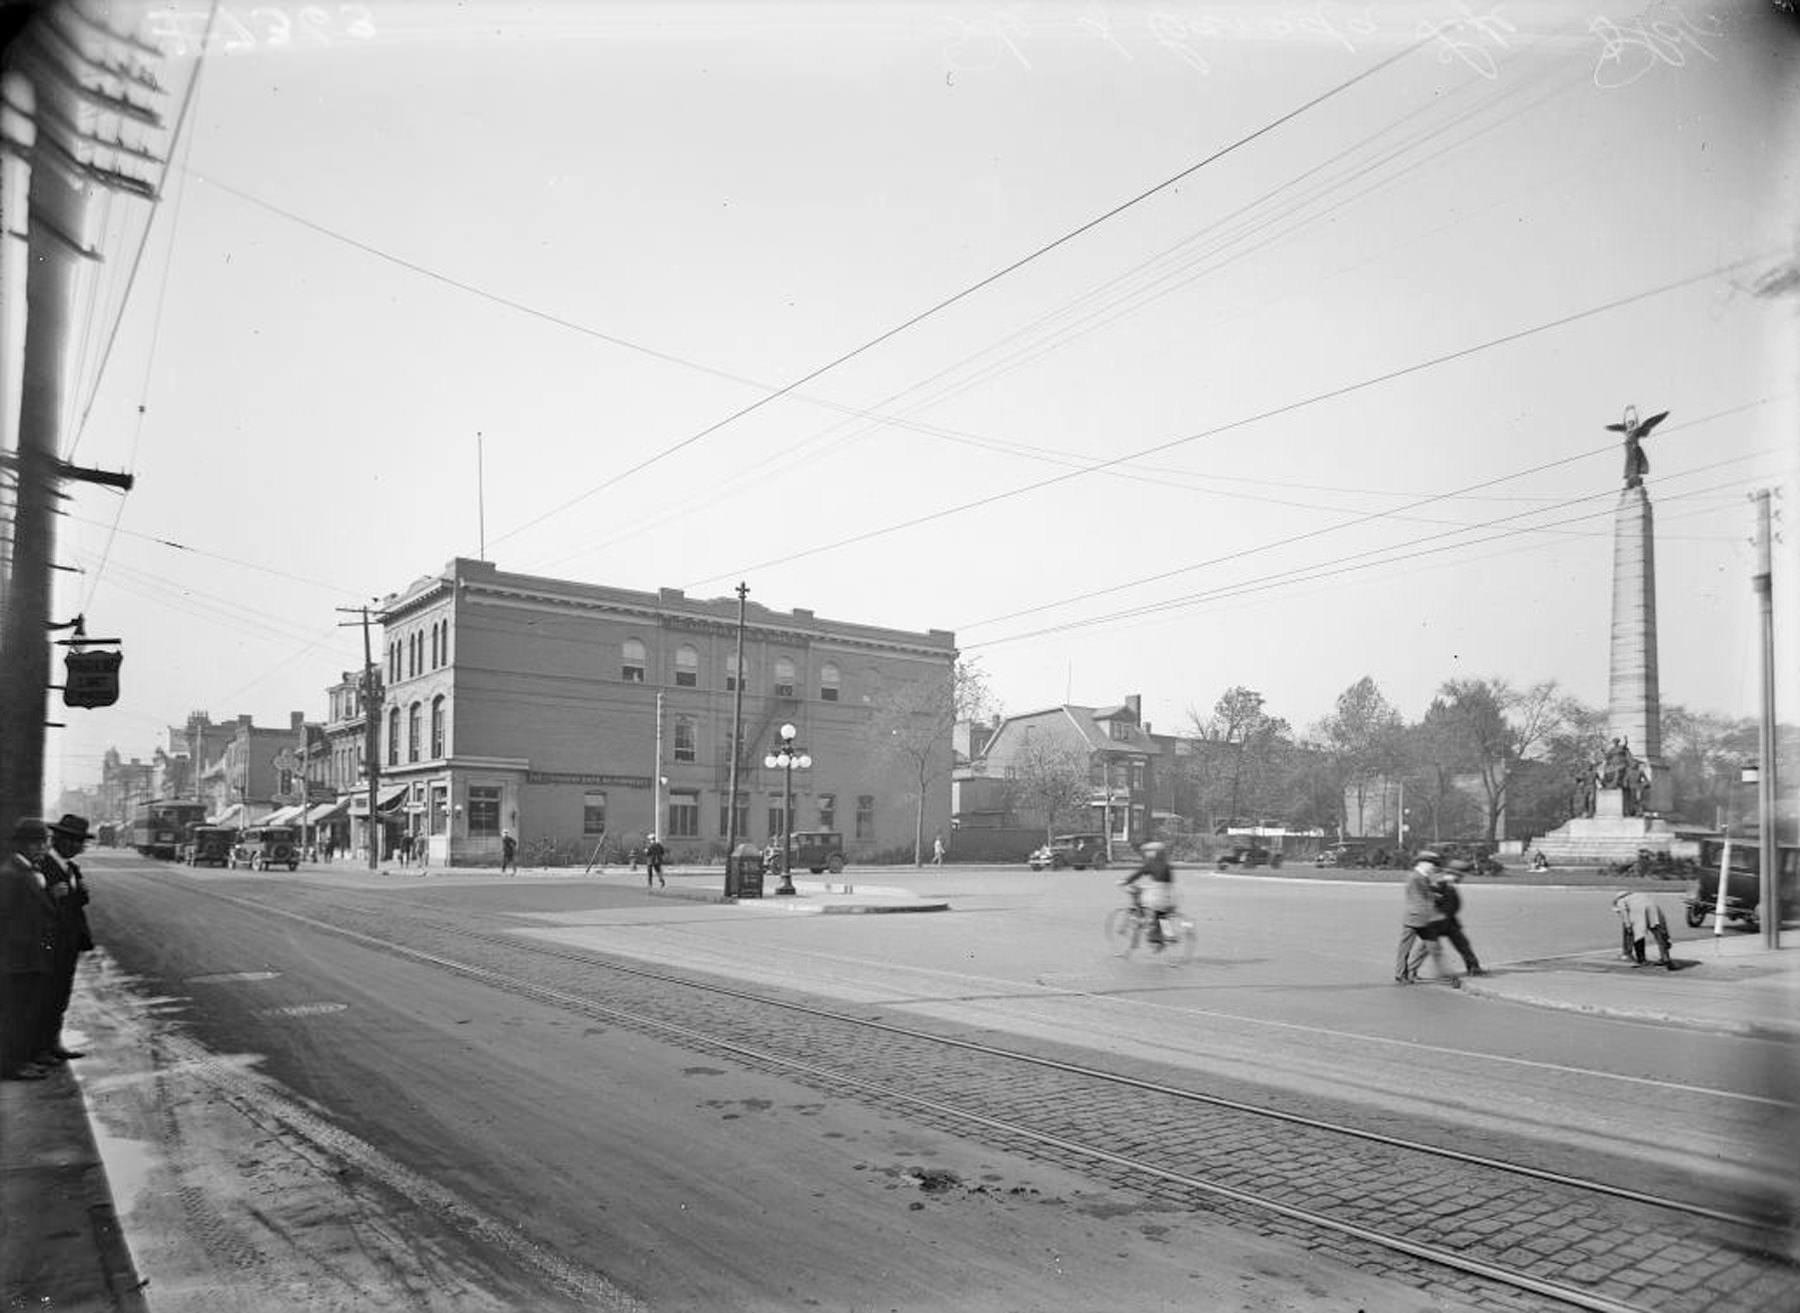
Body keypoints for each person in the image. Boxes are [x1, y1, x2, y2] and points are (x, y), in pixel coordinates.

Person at [1, 819, 58, 1080]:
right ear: (23, 844)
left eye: (44, 842)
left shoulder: (25, 872)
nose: (43, 848)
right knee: (16, 1013)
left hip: (29, 956)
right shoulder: (11, 875)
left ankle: (23, 1059)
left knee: (25, 1011)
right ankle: (14, 1064)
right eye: (38, 843)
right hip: (17, 958)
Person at [37, 815, 95, 1066]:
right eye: (71, 841)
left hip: (68, 943)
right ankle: (39, 1049)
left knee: (61, 994)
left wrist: (80, 891)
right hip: (50, 942)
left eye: (79, 842)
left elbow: (78, 900)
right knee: (45, 996)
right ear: (58, 839)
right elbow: (34, 905)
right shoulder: (44, 865)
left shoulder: (71, 868)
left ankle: (53, 1043)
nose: (76, 847)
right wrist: (51, 895)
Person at [1395, 850, 1458, 986]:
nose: (1433, 867)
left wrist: (1436, 893)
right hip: (1416, 919)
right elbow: (1419, 898)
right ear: (1424, 863)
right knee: (1405, 949)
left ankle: (1445, 975)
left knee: (1434, 947)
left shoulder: (1422, 877)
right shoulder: (1414, 877)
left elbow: (1428, 893)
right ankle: (1401, 975)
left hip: (1421, 919)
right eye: (1432, 864)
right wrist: (1434, 910)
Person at [1118, 841, 1177, 949]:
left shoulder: (1151, 863)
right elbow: (1166, 883)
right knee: (1161, 914)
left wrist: (1124, 881)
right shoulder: (1167, 865)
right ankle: (1168, 934)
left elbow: (1137, 874)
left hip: (1155, 897)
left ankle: (1142, 923)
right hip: (1168, 897)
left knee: (1139, 896)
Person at [1433, 861, 1487, 977]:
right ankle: (1410, 970)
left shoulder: (1449, 884)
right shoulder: (1439, 884)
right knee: (1426, 949)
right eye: (1460, 875)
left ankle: (1473, 967)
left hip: (1450, 922)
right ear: (1454, 873)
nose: (1462, 878)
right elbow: (1433, 902)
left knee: (1463, 944)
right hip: (1437, 922)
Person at [1613, 890, 1673, 970]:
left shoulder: (1621, 900)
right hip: (1654, 909)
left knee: (1638, 935)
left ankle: (1641, 960)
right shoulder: (1639, 894)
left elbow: (1624, 914)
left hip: (1638, 912)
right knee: (1659, 934)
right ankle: (1665, 958)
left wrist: (1628, 926)